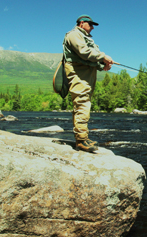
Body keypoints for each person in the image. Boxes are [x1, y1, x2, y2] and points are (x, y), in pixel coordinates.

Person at [63, 14, 114, 152]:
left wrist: (102, 65)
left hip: (86, 73)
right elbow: (84, 52)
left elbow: (90, 58)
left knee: (84, 102)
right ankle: (81, 140)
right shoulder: (73, 35)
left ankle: (83, 137)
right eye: (90, 24)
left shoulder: (85, 37)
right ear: (81, 23)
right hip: (79, 73)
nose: (92, 27)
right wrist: (103, 57)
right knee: (82, 102)